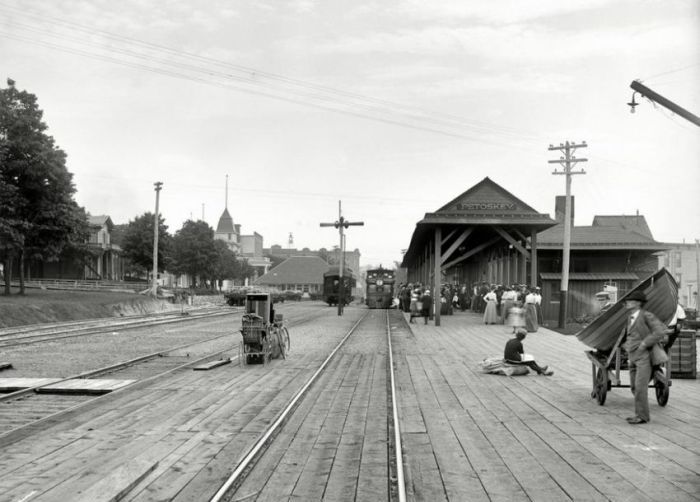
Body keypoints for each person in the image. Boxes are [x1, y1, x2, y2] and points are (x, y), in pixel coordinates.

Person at [623, 290, 667, 424]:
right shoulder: (631, 317)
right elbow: (631, 335)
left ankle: (642, 416)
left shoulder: (646, 315)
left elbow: (660, 331)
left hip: (644, 357)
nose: (627, 303)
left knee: (640, 387)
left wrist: (644, 343)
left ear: (637, 303)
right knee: (634, 387)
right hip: (633, 356)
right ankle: (640, 413)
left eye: (630, 301)